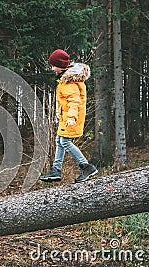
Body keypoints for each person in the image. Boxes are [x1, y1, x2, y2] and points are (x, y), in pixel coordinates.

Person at [40, 49, 98, 183]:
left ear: (60, 65)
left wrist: (71, 118)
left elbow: (74, 102)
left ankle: (86, 166)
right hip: (66, 118)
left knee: (65, 141)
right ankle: (56, 170)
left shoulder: (69, 82)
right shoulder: (67, 78)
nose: (52, 68)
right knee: (59, 140)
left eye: (54, 65)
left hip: (71, 118)